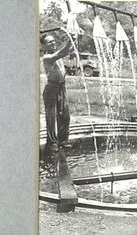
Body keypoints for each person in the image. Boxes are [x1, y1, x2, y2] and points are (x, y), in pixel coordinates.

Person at [40, 28, 76, 157]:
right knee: (51, 118)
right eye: (50, 42)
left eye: (54, 41)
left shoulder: (57, 53)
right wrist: (69, 38)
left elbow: (70, 50)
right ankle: (52, 143)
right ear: (43, 45)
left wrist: (76, 38)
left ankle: (63, 140)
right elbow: (62, 52)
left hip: (61, 88)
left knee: (65, 115)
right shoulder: (47, 57)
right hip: (51, 89)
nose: (53, 43)